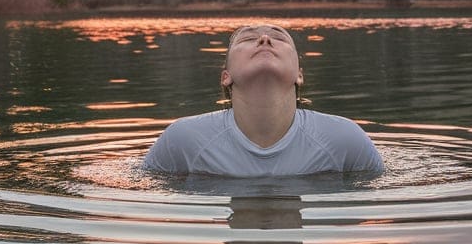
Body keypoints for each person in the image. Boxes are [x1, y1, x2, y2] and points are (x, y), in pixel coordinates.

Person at [142, 24, 384, 176]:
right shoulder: (184, 140)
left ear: (299, 74)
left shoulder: (344, 140)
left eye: (279, 38)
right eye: (248, 39)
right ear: (226, 76)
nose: (264, 39)